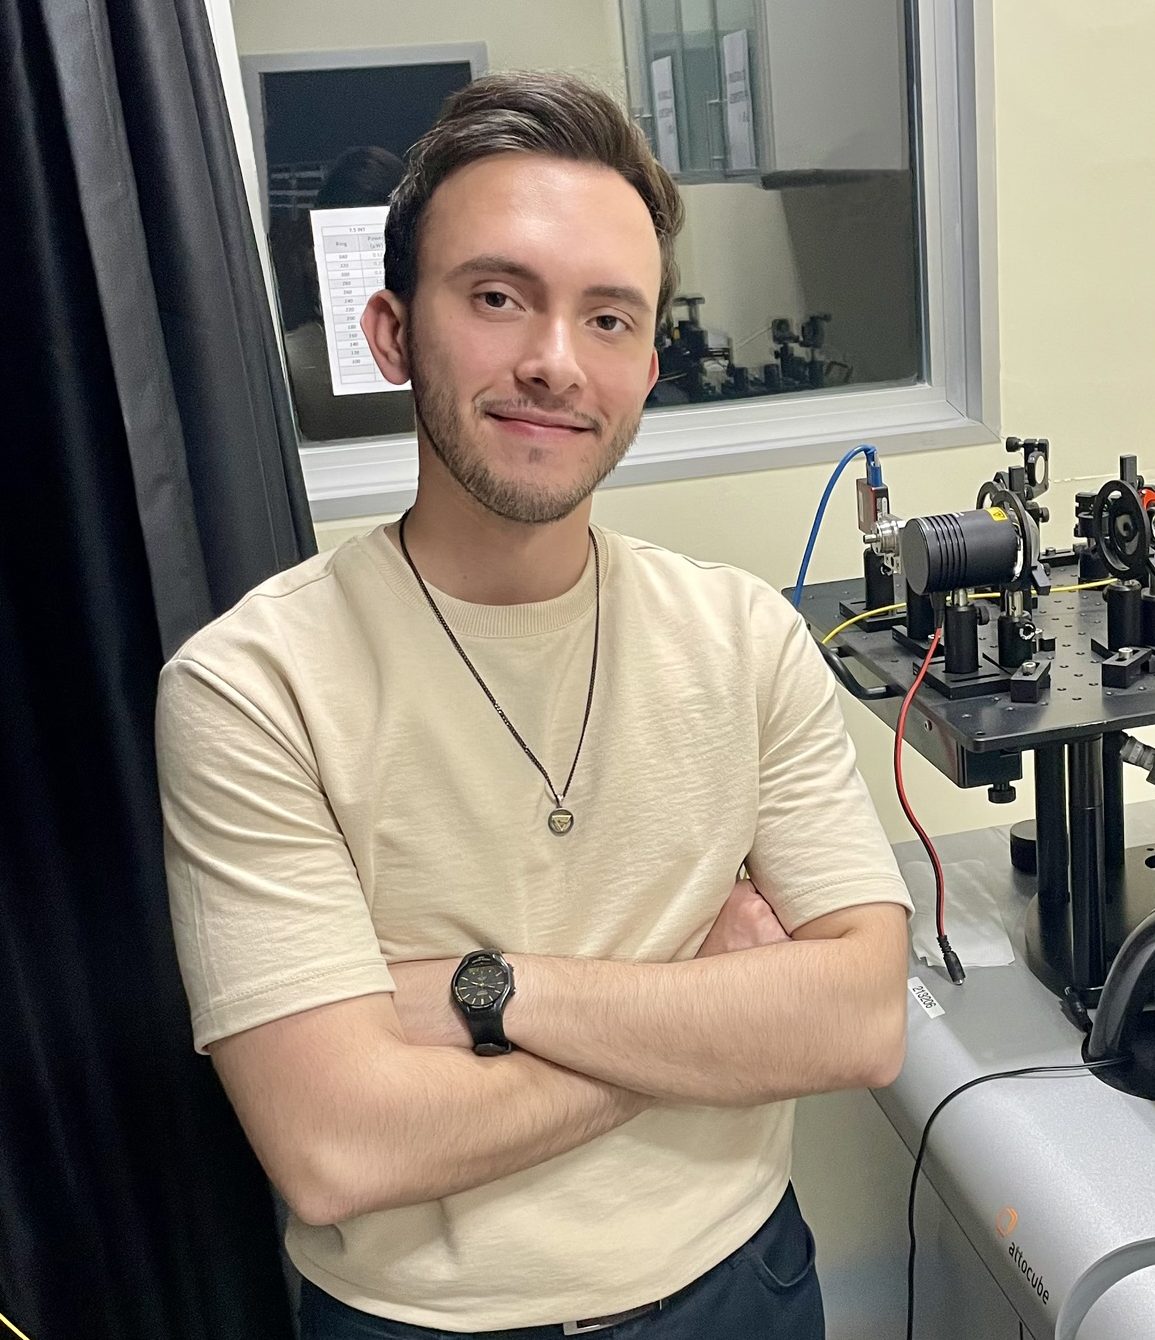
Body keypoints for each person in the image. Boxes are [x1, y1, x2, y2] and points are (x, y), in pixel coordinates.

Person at [155, 71, 913, 1340]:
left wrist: (485, 991)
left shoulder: (744, 638)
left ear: (648, 366)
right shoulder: (252, 687)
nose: (555, 362)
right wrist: (706, 1014)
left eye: (608, 317)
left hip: (742, 1289)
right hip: (416, 1322)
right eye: (498, 297)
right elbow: (339, 1146)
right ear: (392, 332)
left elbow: (862, 1016)